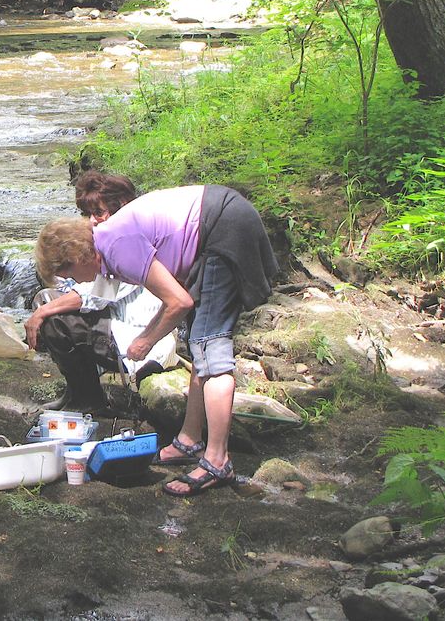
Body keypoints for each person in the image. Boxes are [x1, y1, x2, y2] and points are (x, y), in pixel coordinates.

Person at [35, 183, 278, 496]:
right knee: (198, 345)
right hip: (215, 226)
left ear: (78, 256)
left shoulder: (117, 246)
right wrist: (148, 334)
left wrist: (146, 340)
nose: (73, 280)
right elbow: (172, 297)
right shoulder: (110, 241)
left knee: (211, 349)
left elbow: (179, 302)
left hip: (224, 226)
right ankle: (189, 441)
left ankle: (217, 460)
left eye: (68, 272)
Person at [24, 171, 175, 416]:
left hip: (137, 342)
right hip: (118, 329)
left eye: (99, 213)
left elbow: (97, 293)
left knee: (55, 321)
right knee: (48, 300)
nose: (92, 221)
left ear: (122, 207)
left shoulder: (131, 242)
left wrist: (43, 312)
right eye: (87, 214)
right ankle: (77, 389)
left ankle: (87, 398)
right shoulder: (113, 238)